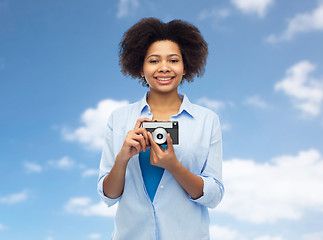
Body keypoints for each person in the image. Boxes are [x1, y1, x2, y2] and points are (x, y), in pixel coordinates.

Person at [98, 17, 224, 240]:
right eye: (154, 60)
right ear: (140, 67)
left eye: (173, 60)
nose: (164, 68)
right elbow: (109, 196)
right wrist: (122, 158)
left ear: (185, 67)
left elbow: (213, 196)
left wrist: (174, 166)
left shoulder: (207, 120)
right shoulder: (119, 119)